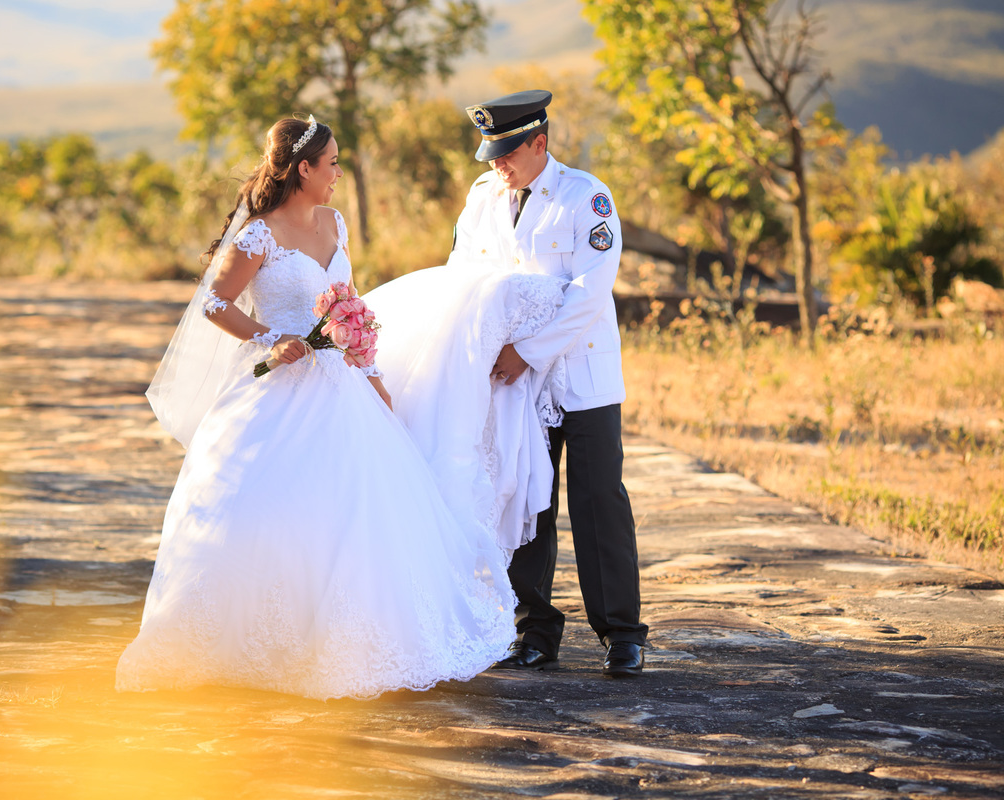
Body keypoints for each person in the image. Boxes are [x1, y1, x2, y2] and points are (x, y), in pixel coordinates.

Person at [115, 116, 515, 700]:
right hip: (280, 389)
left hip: (342, 387)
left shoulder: (335, 223)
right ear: (302, 168)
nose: (337, 173)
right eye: (330, 163)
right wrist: (267, 338)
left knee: (361, 514)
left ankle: (359, 641)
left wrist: (372, 372)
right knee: (272, 512)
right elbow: (214, 303)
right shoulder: (259, 235)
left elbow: (346, 302)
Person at [452, 90, 648, 677]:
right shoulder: (484, 196)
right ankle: (534, 630)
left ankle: (621, 634)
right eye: (491, 154)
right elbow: (464, 273)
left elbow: (591, 292)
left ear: (540, 142)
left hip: (578, 374)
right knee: (524, 501)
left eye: (508, 153)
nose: (497, 165)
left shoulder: (586, 196)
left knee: (598, 501)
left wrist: (527, 351)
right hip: (514, 382)